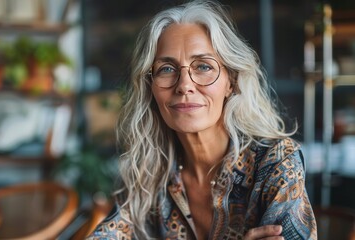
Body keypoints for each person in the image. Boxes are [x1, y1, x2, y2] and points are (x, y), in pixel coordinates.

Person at [87, 0, 317, 239]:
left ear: (232, 81)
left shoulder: (276, 162)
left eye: (204, 67)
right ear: (150, 87)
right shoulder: (148, 171)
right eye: (166, 69)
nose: (184, 85)